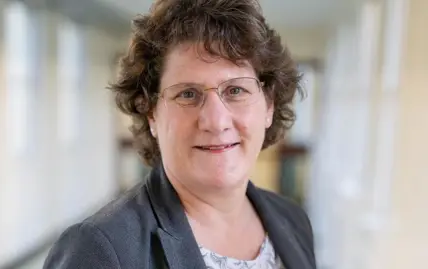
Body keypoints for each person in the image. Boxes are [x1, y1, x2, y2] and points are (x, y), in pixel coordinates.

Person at [43, 0, 316, 268]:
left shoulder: (292, 221)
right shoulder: (100, 249)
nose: (216, 121)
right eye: (188, 94)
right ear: (151, 113)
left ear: (268, 105)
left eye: (235, 90)